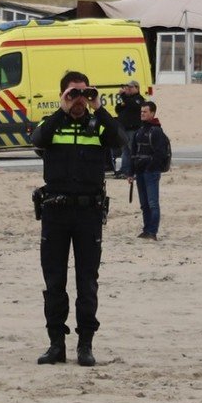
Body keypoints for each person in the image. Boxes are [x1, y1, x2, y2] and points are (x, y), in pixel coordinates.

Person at [31, 70, 124, 367]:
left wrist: (100, 107)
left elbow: (120, 140)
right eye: (73, 93)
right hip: (55, 213)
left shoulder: (97, 127)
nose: (79, 100)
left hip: (88, 213)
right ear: (62, 96)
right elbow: (38, 139)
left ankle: (86, 344)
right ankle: (56, 343)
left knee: (87, 281)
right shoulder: (52, 123)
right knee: (54, 280)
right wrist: (60, 110)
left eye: (84, 93)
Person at [128, 101, 168, 241]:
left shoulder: (156, 131)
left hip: (151, 172)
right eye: (141, 112)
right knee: (144, 204)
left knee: (152, 203)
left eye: (145, 112)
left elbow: (160, 153)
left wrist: (150, 166)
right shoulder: (139, 131)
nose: (142, 114)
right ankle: (146, 230)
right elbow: (133, 152)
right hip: (140, 172)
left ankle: (152, 232)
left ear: (152, 113)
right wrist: (130, 173)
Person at [113, 79, 146, 177]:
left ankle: (135, 170)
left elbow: (134, 106)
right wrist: (122, 99)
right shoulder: (127, 100)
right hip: (124, 129)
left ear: (137, 88)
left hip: (133, 129)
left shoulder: (138, 99)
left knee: (133, 150)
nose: (128, 89)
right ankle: (124, 169)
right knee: (125, 151)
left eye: (131, 87)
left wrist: (123, 96)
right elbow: (118, 109)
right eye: (127, 87)